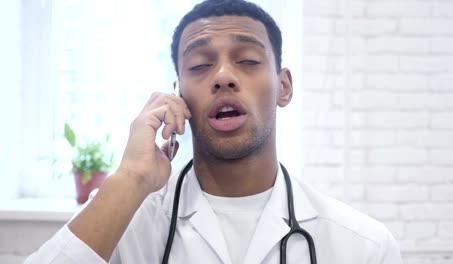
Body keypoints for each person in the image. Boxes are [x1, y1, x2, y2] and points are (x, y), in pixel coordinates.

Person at [26, 0, 403, 263]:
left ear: (283, 87)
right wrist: (132, 177)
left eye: (248, 61)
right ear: (178, 96)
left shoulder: (363, 246)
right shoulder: (123, 224)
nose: (223, 76)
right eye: (200, 65)